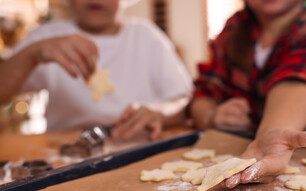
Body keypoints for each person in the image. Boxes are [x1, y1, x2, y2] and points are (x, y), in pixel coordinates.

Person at [190, 0, 306, 187]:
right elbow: (204, 93)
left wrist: (270, 134)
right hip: (247, 145)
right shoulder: (235, 27)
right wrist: (211, 116)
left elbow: (298, 81)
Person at [0, 0, 193, 140]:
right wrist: (30, 55)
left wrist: (160, 111)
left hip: (137, 145)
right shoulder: (46, 36)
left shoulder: (146, 36)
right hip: (65, 153)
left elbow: (184, 100)